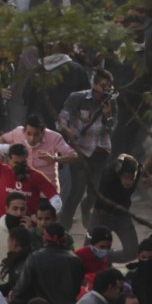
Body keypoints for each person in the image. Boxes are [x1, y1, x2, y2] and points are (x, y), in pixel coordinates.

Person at [57, 69, 118, 231]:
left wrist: (108, 114)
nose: (106, 90)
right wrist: (68, 131)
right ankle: (64, 225)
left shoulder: (111, 102)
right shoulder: (78, 98)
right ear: (95, 85)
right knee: (76, 190)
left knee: (95, 191)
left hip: (101, 151)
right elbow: (62, 117)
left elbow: (111, 129)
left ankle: (87, 208)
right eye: (103, 86)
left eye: (109, 87)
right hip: (81, 150)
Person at [11, 224, 85, 304]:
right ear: (64, 239)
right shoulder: (76, 260)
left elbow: (20, 290)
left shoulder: (35, 258)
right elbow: (76, 289)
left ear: (44, 239)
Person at [0, 142, 60, 217]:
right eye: (16, 163)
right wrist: (8, 148)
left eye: (23, 163)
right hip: (5, 226)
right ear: (9, 161)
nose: (20, 166)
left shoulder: (36, 176)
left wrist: (41, 217)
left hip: (29, 227)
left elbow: (56, 200)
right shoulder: (3, 170)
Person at [86, 154, 141, 263]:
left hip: (121, 216)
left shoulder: (137, 171)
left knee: (132, 252)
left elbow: (135, 162)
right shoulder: (110, 173)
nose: (129, 182)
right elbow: (120, 158)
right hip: (102, 215)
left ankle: (105, 257)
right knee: (88, 253)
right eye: (126, 178)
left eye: (132, 179)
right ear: (119, 174)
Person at [0, 116, 76, 192]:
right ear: (24, 131)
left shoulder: (54, 138)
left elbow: (74, 155)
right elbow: (2, 138)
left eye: (36, 135)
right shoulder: (17, 133)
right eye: (28, 134)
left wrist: (55, 159)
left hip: (45, 193)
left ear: (42, 132)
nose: (32, 139)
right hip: (23, 190)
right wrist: (1, 154)